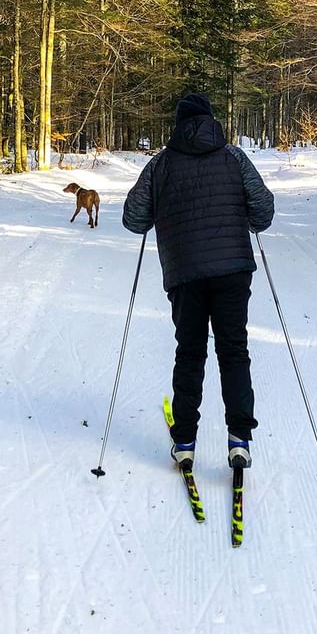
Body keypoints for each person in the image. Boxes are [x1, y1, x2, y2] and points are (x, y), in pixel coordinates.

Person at [122, 93, 274, 470]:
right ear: (211, 120)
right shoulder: (234, 157)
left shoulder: (160, 165)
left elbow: (133, 219)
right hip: (233, 269)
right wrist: (249, 219)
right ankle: (239, 438)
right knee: (234, 351)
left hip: (185, 274)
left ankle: (185, 441)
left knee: (190, 354)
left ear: (178, 125)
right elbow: (264, 210)